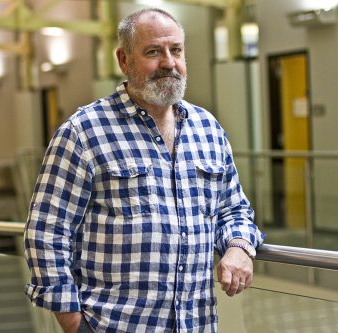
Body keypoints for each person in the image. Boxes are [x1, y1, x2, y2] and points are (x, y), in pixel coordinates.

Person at [24, 7, 265, 333]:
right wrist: (75, 324)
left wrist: (238, 246)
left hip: (196, 325)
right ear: (124, 61)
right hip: (113, 325)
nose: (169, 62)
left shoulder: (208, 129)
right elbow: (47, 232)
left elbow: (234, 209)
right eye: (153, 52)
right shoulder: (84, 131)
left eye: (176, 50)